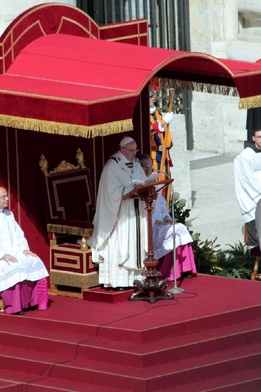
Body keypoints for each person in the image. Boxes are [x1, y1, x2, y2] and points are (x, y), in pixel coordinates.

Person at [87, 136, 148, 290]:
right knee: (121, 244)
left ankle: (136, 279)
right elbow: (110, 193)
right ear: (122, 150)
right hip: (119, 214)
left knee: (135, 243)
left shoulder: (136, 165)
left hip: (135, 211)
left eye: (136, 150)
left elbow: (143, 183)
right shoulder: (111, 167)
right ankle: (119, 281)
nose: (135, 154)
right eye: (132, 150)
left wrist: (143, 188)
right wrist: (129, 191)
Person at [139, 154, 197, 280]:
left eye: (150, 166)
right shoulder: (139, 187)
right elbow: (141, 212)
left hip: (161, 223)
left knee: (179, 228)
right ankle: (169, 271)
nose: (148, 169)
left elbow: (162, 208)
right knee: (176, 230)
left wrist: (166, 217)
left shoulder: (156, 186)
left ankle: (183, 268)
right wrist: (156, 221)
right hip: (150, 226)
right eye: (145, 166)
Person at [0, 186, 49, 314]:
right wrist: (3, 255)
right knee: (12, 266)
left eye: (7, 196)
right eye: (3, 197)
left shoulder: (9, 215)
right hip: (2, 256)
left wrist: (24, 250)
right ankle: (15, 306)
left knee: (34, 260)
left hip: (14, 251)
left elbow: (19, 235)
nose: (7, 199)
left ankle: (34, 301)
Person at [234, 126, 261, 246]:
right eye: (259, 137)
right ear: (253, 138)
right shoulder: (246, 155)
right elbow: (248, 180)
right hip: (253, 196)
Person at [149, 88, 174, 203]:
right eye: (150, 97)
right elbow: (149, 130)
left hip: (164, 154)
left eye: (152, 96)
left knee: (166, 183)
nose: (152, 98)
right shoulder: (144, 115)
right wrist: (164, 122)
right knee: (158, 185)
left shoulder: (156, 112)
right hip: (154, 155)